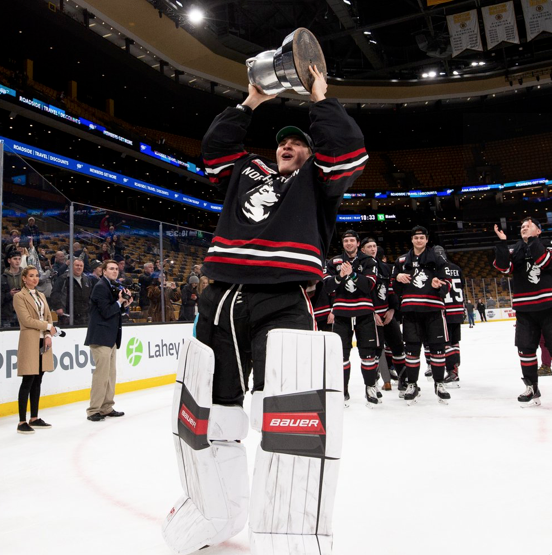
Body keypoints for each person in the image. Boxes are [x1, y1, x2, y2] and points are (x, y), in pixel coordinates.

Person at [177, 65, 366, 552]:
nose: (288, 146)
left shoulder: (319, 182)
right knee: (207, 414)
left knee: (290, 418)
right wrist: (251, 101)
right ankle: (213, 511)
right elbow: (215, 152)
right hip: (219, 298)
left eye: (298, 142)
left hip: (284, 300)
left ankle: (290, 529)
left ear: (310, 153)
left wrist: (321, 95)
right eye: (282, 142)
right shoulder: (247, 173)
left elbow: (346, 153)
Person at [493, 218, 552, 406]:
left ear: (539, 231)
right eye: (522, 226)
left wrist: (532, 241)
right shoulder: (515, 249)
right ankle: (531, 387)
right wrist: (502, 243)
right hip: (524, 308)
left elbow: (543, 261)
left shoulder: (548, 245)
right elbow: (503, 267)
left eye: (528, 225)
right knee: (525, 349)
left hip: (548, 306)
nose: (524, 227)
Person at [392, 226, 452, 405]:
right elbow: (393, 286)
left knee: (437, 349)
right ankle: (412, 385)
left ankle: (439, 383)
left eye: (422, 238)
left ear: (427, 240)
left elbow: (447, 285)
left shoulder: (438, 259)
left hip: (433, 310)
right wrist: (398, 278)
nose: (419, 240)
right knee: (411, 351)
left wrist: (438, 284)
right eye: (416, 237)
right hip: (411, 312)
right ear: (412, 239)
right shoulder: (401, 260)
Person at [325, 230, 378, 405]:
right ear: (343, 243)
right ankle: (343, 391)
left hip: (364, 312)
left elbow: (369, 285)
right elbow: (326, 286)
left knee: (368, 354)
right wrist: (340, 276)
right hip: (341, 313)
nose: (348, 243)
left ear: (357, 243)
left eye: (351, 240)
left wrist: (353, 275)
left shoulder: (369, 261)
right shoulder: (333, 262)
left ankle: (370, 387)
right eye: (346, 240)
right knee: (341, 355)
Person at [84, 260, 132, 421]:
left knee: (110, 374)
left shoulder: (111, 286)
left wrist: (124, 304)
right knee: (101, 375)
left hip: (110, 337)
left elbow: (114, 311)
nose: (115, 271)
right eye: (111, 269)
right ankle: (93, 410)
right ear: (103, 271)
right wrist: (119, 302)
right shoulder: (100, 287)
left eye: (116, 269)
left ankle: (106, 407)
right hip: (100, 337)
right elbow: (106, 311)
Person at [13, 266, 56, 434]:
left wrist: (48, 334)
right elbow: (27, 320)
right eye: (31, 276)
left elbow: (47, 316)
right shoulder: (19, 296)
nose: (35, 279)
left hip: (42, 341)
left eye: (37, 276)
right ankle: (22, 421)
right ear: (24, 278)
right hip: (29, 340)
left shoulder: (41, 295)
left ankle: (34, 417)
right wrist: (47, 326)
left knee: (38, 379)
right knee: (28, 380)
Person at [361, 237, 406, 394]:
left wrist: (392, 309)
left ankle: (403, 381)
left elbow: (391, 290)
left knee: (399, 347)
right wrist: (371, 312)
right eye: (369, 246)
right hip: (370, 317)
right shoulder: (359, 267)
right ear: (363, 250)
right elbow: (360, 294)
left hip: (388, 315)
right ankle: (373, 385)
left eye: (374, 246)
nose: (373, 249)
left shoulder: (386, 268)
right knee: (375, 352)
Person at [434, 245, 465, 387]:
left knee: (445, 343)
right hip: (458, 309)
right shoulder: (457, 268)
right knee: (455, 342)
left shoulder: (437, 270)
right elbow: (462, 285)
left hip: (445, 311)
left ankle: (452, 371)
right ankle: (455, 369)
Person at [50, 258, 92, 326]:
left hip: (84, 316)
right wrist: (58, 307)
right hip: (67, 315)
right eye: (77, 265)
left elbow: (90, 295)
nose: (79, 267)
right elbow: (55, 293)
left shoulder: (86, 280)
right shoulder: (63, 278)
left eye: (81, 266)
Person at [1, 250, 23, 327]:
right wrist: (9, 294)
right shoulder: (2, 278)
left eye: (19, 259)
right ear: (9, 260)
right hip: (7, 313)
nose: (18, 261)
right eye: (15, 259)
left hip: (23, 313)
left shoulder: (26, 277)